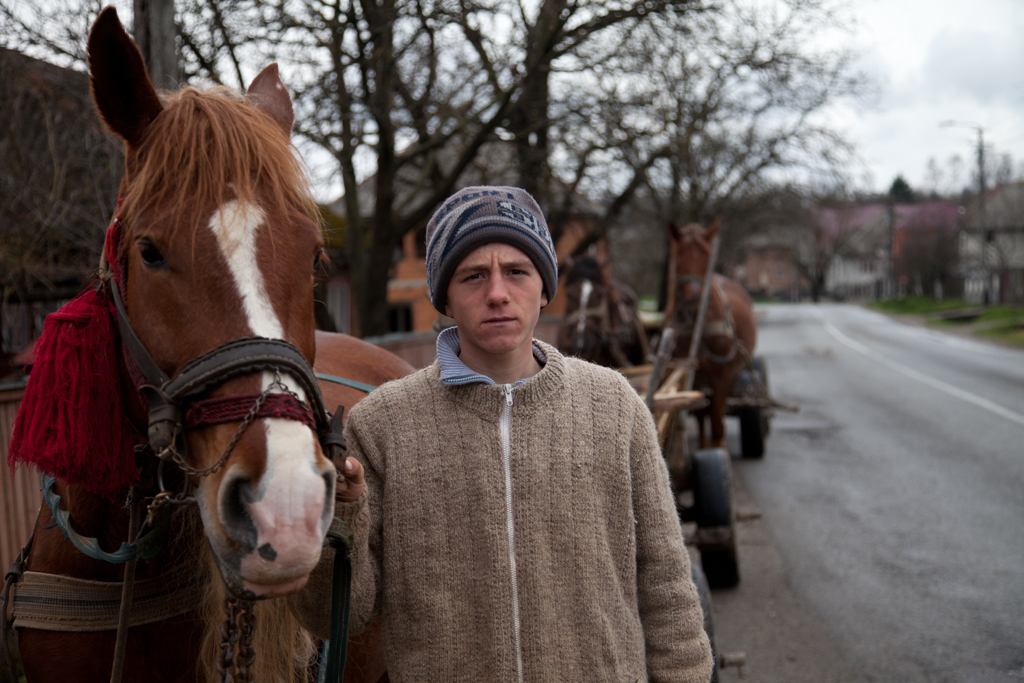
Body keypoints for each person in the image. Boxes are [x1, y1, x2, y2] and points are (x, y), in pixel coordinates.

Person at [291, 186, 713, 682]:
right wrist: (341, 516)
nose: (497, 293)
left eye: (517, 271)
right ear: (444, 295)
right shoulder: (382, 425)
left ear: (544, 286)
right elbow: (335, 615)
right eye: (473, 276)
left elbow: (666, 584)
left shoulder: (615, 406)